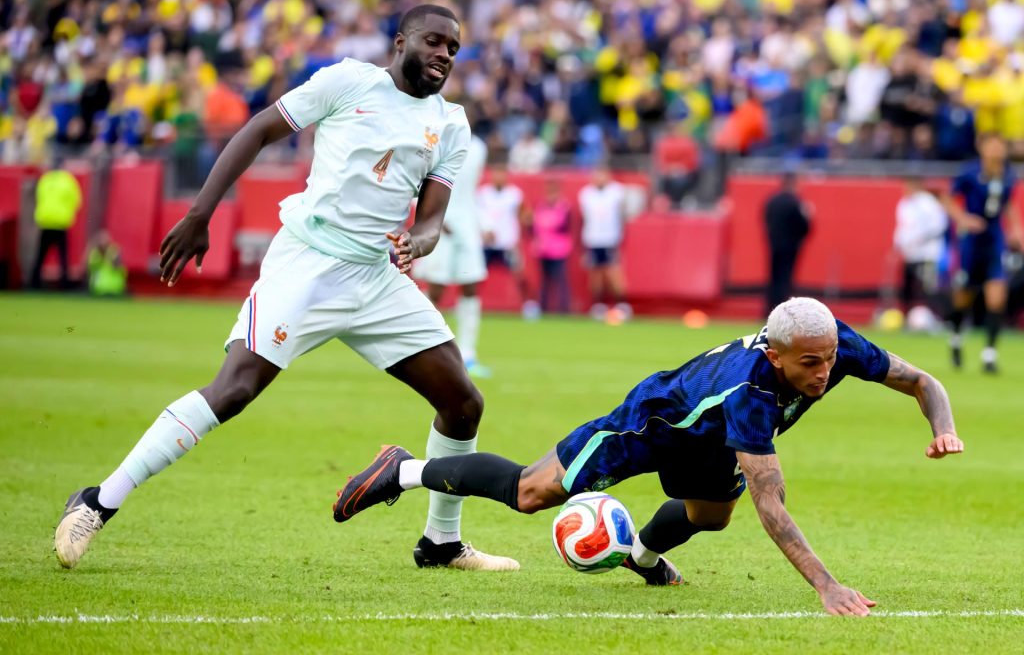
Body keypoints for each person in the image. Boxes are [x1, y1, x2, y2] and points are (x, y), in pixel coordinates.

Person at [54, 4, 518, 573]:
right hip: (310, 262)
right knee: (235, 388)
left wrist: (416, 244)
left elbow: (430, 219)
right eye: (434, 41)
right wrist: (201, 213)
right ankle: (98, 502)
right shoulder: (348, 81)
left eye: (454, 46)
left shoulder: (451, 123)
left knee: (463, 401)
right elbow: (258, 130)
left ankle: (441, 543)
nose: (445, 54)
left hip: (376, 276)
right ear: (400, 42)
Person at [337, 297, 964, 617]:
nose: (825, 373)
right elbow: (773, 506)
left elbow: (922, 381)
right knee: (532, 492)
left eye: (830, 359)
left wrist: (945, 427)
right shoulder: (750, 391)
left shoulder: (832, 342)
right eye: (810, 364)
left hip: (707, 438)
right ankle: (403, 470)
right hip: (652, 423)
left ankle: (641, 556)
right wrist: (828, 587)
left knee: (713, 514)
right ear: (775, 356)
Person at [941, 133, 1024, 373]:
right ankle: (956, 338)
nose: (997, 149)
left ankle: (989, 355)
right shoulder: (970, 173)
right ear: (982, 148)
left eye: (1000, 145)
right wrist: (964, 219)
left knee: (997, 296)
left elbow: (1007, 204)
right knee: (963, 297)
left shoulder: (1008, 175)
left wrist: (1016, 231)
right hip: (972, 243)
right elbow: (948, 198)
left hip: (994, 241)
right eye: (993, 145)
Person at [413, 133, 492, 378]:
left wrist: (482, 223)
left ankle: (468, 354)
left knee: (471, 286)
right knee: (435, 289)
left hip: (467, 225)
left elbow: (471, 190)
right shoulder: (433, 137)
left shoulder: (478, 146)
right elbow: (418, 181)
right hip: (440, 222)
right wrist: (430, 218)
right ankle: (421, 349)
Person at [477, 163, 536, 317]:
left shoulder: (514, 194)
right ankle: (470, 303)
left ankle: (528, 305)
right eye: (496, 173)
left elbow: (525, 213)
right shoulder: (483, 193)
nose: (499, 177)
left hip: (507, 243)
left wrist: (527, 218)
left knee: (519, 275)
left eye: (502, 173)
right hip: (487, 243)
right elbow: (476, 215)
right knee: (475, 275)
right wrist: (483, 232)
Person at [578, 166, 629, 320]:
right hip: (593, 239)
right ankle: (598, 305)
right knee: (595, 274)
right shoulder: (586, 193)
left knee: (613, 272)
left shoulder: (617, 192)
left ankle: (622, 304)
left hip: (610, 239)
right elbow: (585, 217)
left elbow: (624, 213)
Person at [893, 177, 947, 316]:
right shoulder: (904, 204)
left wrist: (919, 239)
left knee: (928, 287)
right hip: (910, 254)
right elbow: (902, 227)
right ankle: (906, 314)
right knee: (908, 286)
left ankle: (935, 316)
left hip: (927, 253)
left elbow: (938, 225)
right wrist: (897, 245)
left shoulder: (928, 203)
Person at [29, 158, 82, 290]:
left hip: (45, 221)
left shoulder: (45, 179)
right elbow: (77, 201)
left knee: (40, 255)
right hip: (60, 222)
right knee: (63, 256)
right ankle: (64, 284)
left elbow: (38, 197)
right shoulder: (68, 180)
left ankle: (33, 283)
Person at [763, 172, 811, 316]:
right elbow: (804, 226)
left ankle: (769, 310)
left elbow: (766, 220)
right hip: (790, 246)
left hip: (774, 245)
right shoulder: (795, 203)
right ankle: (783, 312)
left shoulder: (772, 201)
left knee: (773, 278)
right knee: (785, 278)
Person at [531, 180, 573, 314]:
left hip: (559, 249)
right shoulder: (540, 206)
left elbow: (562, 226)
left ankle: (564, 308)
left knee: (560, 279)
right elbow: (535, 227)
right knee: (544, 280)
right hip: (543, 249)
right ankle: (542, 307)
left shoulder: (564, 207)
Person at [86, 230, 127, 297]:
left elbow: (119, 268)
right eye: (101, 240)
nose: (103, 243)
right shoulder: (95, 253)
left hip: (115, 289)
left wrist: (114, 260)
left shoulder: (114, 251)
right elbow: (90, 267)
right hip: (98, 290)